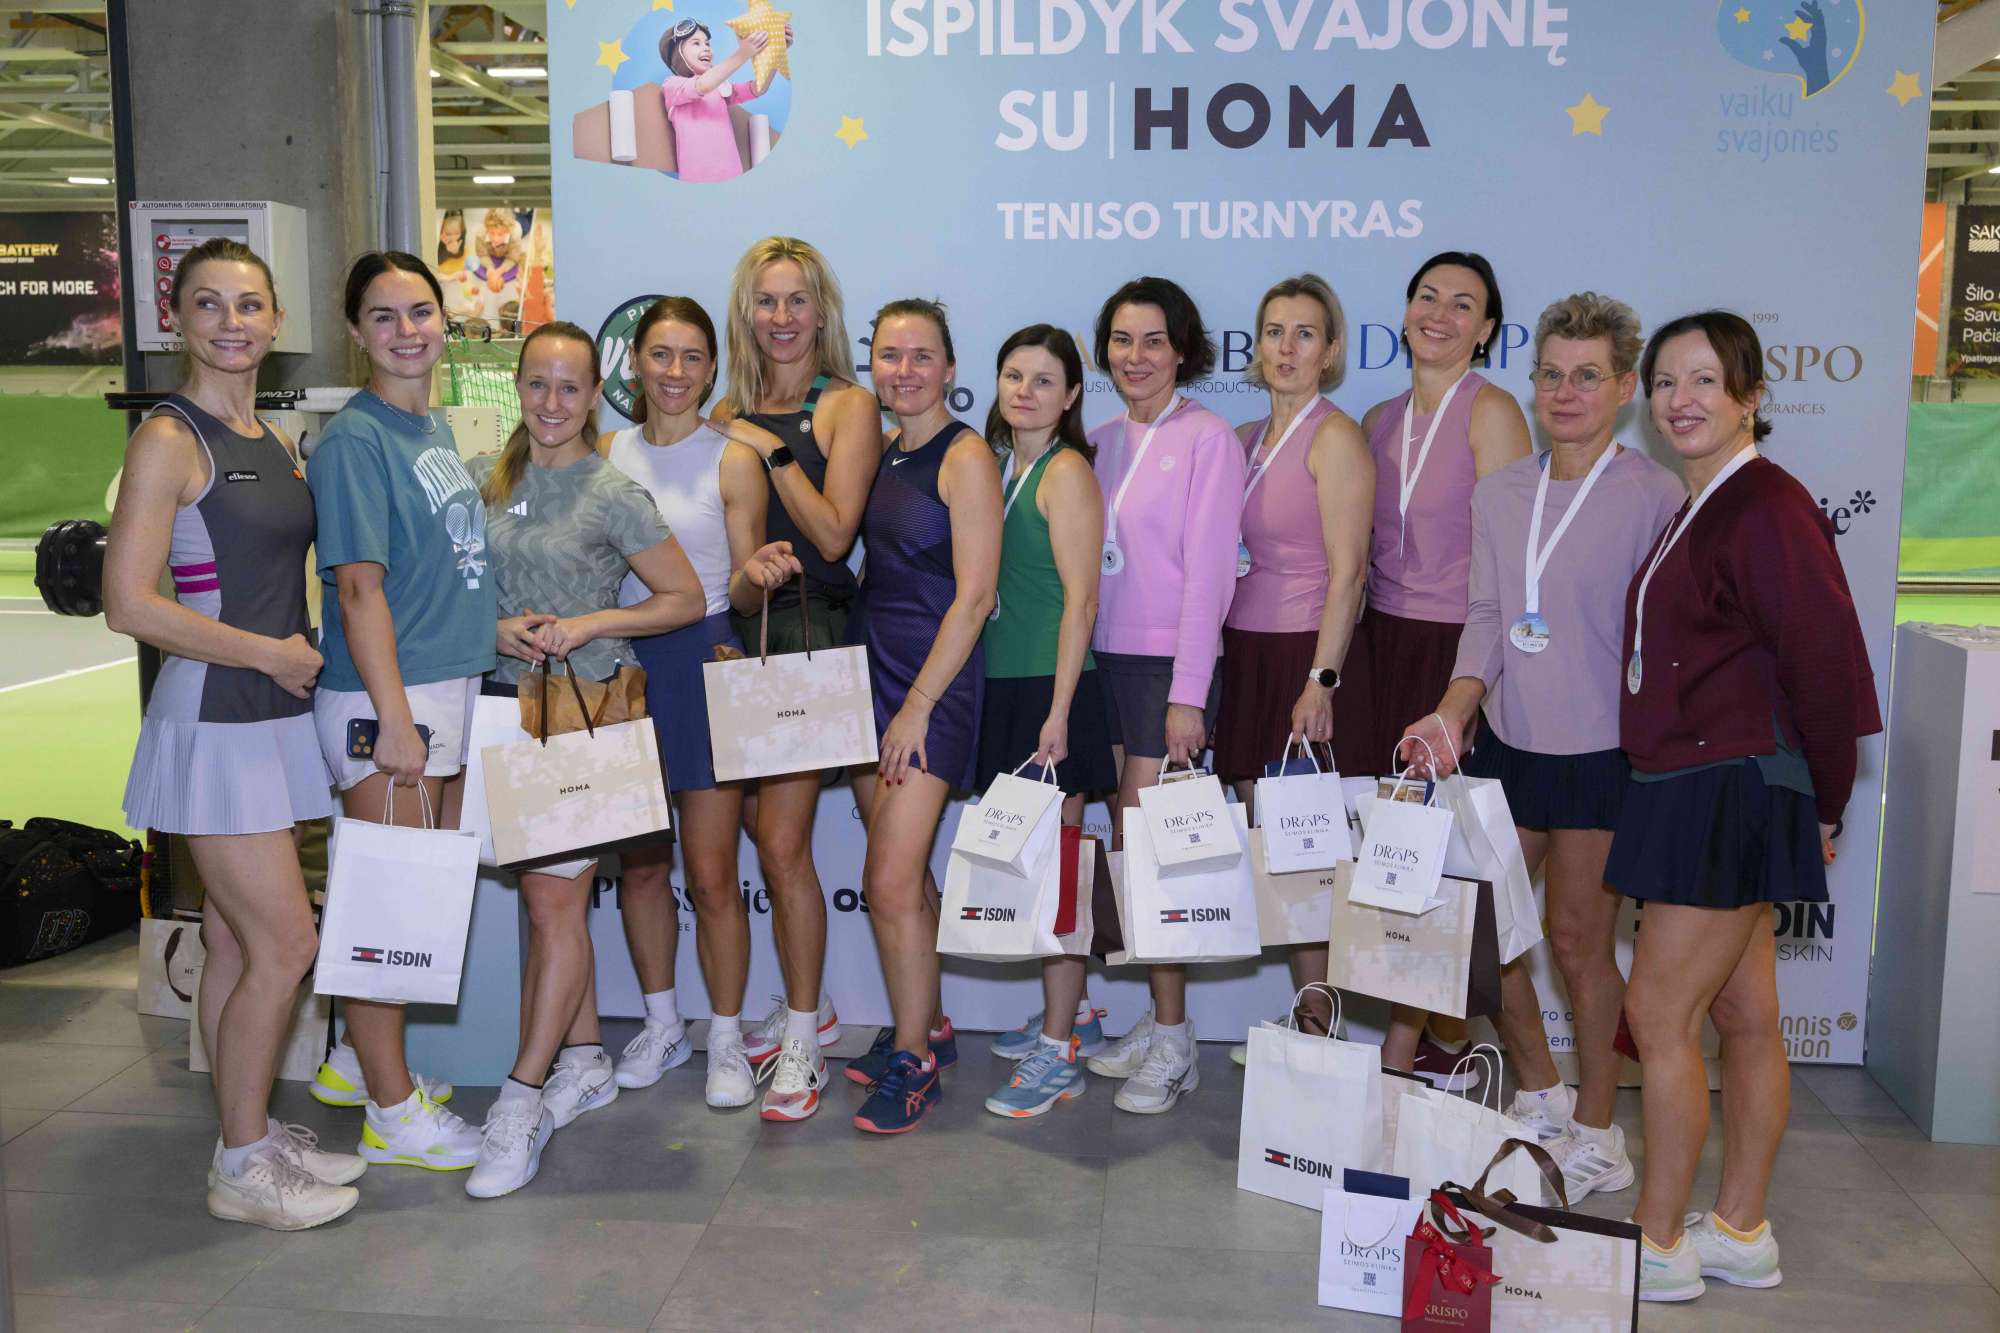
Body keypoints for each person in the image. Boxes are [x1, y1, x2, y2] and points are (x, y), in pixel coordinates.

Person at [1611, 312, 1878, 1302]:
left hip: (1725, 785)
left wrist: (1826, 800)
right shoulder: (1707, 500)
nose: (1679, 399)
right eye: (1664, 382)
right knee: (1744, 1012)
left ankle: (1656, 1244)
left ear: (1749, 396)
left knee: (1659, 1011)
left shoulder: (1765, 504)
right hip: (1701, 780)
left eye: (1703, 381)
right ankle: (1738, 1229)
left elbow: (1823, 660)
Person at [1398, 293, 1684, 1202]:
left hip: (1604, 753)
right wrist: (1452, 711)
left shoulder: (1657, 495)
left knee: (1576, 941)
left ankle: (1599, 1130)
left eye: (1587, 376)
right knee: (1475, 927)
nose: (1565, 392)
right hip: (1510, 745)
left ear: (1625, 387)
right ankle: (1542, 1092)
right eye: (1552, 374)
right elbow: (1488, 614)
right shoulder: (1501, 490)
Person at [106, 237, 363, 1231]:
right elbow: (130, 603)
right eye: (208, 304)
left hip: (270, 713)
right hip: (214, 719)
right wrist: (267, 654)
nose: (230, 322)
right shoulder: (168, 439)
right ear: (176, 319)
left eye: (249, 304)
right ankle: (245, 1168)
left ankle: (240, 1133)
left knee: (228, 938)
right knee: (286, 942)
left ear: (276, 320)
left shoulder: (272, 435)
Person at [458, 321, 723, 1197]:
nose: (552, 401)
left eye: (570, 386)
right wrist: (495, 627)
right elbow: (460, 593)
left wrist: (591, 623)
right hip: (501, 712)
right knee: (548, 908)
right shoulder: (486, 477)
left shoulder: (613, 492)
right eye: (537, 383)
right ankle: (583, 1059)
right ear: (518, 386)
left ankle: (519, 1100)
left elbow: (683, 597)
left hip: (586, 713)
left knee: (552, 907)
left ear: (593, 395)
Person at [305, 251, 489, 1173]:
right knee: (390, 911)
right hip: (390, 701)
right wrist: (396, 721)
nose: (406, 331)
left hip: (436, 687)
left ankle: (356, 1062)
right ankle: (391, 1114)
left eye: (420, 311)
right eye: (383, 316)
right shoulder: (355, 441)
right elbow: (358, 591)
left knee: (417, 899)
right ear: (355, 331)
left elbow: (440, 570)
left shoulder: (432, 428)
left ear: (443, 321)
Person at [602, 296, 804, 1112]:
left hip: (705, 661)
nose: (676, 371)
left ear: (713, 367)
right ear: (635, 363)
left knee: (714, 872)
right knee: (643, 868)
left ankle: (725, 1034)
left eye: (692, 357)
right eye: (661, 354)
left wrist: (758, 576)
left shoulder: (734, 459)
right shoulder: (605, 451)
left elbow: (745, 588)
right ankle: (663, 1024)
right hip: (623, 668)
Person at [1339, 251, 1531, 1084]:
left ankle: (1400, 1051)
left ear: (1486, 330)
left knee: (1437, 853)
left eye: (1463, 304)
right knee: (1392, 847)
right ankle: (1432, 1037)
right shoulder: (1377, 418)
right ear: (1405, 309)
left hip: (1458, 651)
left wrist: (1472, 688)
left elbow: (1511, 562)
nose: (1440, 314)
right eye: (1428, 296)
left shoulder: (1494, 412)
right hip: (1382, 644)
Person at [709, 236, 883, 1120]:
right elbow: (739, 568)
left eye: (797, 300)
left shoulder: (847, 404)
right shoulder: (728, 408)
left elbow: (835, 535)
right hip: (744, 637)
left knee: (780, 845)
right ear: (747, 312)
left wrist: (771, 450)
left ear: (822, 312)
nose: (781, 318)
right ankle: (807, 1010)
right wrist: (749, 580)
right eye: (766, 301)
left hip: (815, 636)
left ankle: (806, 1040)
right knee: (760, 841)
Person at [831, 299, 999, 1133]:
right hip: (872, 676)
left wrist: (918, 707)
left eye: (921, 355)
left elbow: (975, 598)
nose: (904, 371)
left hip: (931, 687)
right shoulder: (889, 451)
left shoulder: (966, 456)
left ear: (950, 368)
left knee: (889, 882)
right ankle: (927, 1023)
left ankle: (914, 1061)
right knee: (908, 877)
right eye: (890, 356)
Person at [1079, 277, 1246, 1115]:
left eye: (1153, 340)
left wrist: (1189, 694)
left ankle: (1176, 1042)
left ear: (1183, 350)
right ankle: (1157, 1016)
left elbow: (1210, 574)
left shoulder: (1208, 439)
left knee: (1149, 853)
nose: (1135, 356)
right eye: (1121, 340)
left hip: (1166, 669)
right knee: (1125, 850)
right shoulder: (1098, 440)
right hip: (1103, 662)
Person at [1212, 274, 1372, 1043]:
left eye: (1305, 333)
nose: (1286, 347)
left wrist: (1321, 680)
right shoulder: (1245, 438)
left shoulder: (1335, 437)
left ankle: (1318, 1026)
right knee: (1280, 856)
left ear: (1330, 351)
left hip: (1303, 661)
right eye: (1274, 331)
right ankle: (1313, 1015)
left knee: (1308, 859)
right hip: (1245, 654)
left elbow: (1351, 573)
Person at [974, 325, 1119, 1119]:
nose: (1025, 390)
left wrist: (1059, 712)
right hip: (1007, 684)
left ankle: (1059, 1052)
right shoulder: (1004, 467)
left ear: (1071, 396)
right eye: (1013, 375)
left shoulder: (1066, 472)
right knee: (1035, 874)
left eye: (1043, 379)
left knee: (1058, 880)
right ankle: (1076, 1015)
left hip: (1051, 693)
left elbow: (1082, 602)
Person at [658, 17, 793, 184]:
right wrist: (743, 54)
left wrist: (776, 52)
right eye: (696, 43)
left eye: (707, 43)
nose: (706, 48)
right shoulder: (672, 85)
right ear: (677, 54)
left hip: (733, 177)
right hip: (697, 180)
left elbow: (758, 89)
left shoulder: (720, 89)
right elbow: (703, 85)